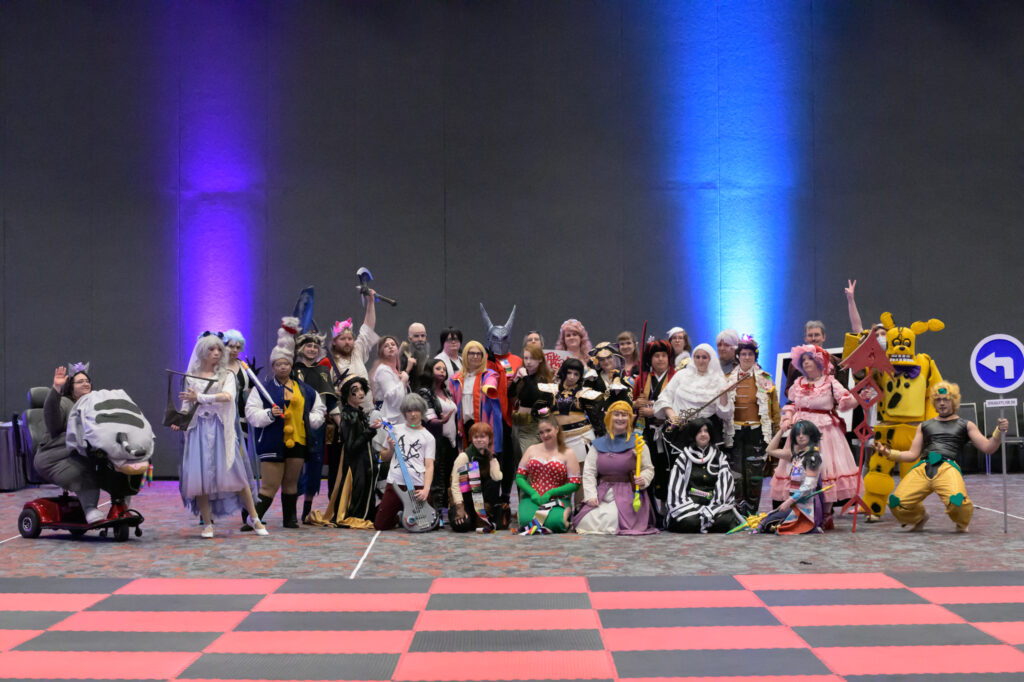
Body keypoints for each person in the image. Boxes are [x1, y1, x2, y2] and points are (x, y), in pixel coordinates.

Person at [878, 382, 1007, 533]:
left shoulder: (966, 425)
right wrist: (889, 453)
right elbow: (912, 454)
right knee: (896, 503)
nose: (942, 403)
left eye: (946, 399)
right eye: (938, 400)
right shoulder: (924, 425)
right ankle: (919, 517)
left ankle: (962, 522)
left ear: (954, 401)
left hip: (947, 468)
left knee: (957, 501)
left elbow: (988, 447)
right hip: (923, 468)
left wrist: (998, 431)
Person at [175, 335, 266, 538]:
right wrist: (179, 420)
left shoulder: (227, 375)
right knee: (201, 478)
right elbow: (186, 404)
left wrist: (200, 397)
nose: (216, 353)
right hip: (198, 429)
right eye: (211, 350)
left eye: (218, 349)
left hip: (220, 428)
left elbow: (228, 397)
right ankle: (207, 523)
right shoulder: (191, 374)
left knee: (237, 473)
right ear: (202, 351)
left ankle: (255, 518)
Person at [245, 319, 326, 529]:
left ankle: (290, 519)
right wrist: (269, 414)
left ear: (291, 365)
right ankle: (252, 518)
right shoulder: (263, 389)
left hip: (298, 441)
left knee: (291, 483)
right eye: (278, 364)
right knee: (269, 485)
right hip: (272, 442)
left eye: (286, 364)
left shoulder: (305, 389)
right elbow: (251, 413)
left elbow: (319, 410)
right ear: (273, 366)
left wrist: (308, 421)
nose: (283, 367)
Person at [772, 345, 858, 518]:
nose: (806, 362)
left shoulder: (830, 382)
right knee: (797, 470)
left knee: (825, 470)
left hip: (824, 431)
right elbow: (792, 404)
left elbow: (845, 401)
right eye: (803, 360)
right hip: (801, 431)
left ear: (819, 361)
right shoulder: (798, 383)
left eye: (810, 359)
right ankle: (802, 511)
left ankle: (826, 514)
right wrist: (788, 418)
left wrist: (858, 397)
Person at [34, 363, 104, 524]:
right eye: (80, 382)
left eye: (87, 381)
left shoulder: (94, 406)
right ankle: (90, 508)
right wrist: (56, 390)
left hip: (81, 454)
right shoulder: (65, 403)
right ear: (70, 387)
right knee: (83, 470)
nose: (86, 383)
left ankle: (119, 506)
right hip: (54, 457)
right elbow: (53, 424)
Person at [573, 401, 656, 535]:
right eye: (616, 414)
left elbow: (648, 468)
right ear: (609, 418)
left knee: (609, 520)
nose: (620, 418)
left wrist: (643, 479)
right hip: (603, 492)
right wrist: (590, 495)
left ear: (630, 419)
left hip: (628, 493)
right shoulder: (598, 445)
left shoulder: (638, 443)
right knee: (586, 521)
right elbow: (589, 472)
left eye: (624, 415)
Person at [314, 375, 385, 529]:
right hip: (355, 466)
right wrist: (370, 431)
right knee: (357, 494)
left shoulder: (358, 413)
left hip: (362, 464)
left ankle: (365, 514)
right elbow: (351, 446)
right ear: (347, 394)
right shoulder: (348, 416)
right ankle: (357, 515)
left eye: (361, 389)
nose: (360, 393)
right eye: (355, 390)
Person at [724, 336, 781, 514]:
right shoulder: (727, 379)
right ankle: (738, 513)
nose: (747, 357)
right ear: (738, 356)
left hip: (757, 432)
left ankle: (752, 513)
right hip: (735, 433)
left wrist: (777, 431)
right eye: (743, 354)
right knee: (737, 475)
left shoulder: (765, 379)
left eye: (750, 354)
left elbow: (775, 408)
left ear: (755, 357)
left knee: (755, 476)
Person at [664, 418, 743, 533]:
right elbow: (676, 490)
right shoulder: (683, 458)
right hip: (689, 507)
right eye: (699, 431)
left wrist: (710, 512)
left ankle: (701, 524)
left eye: (706, 431)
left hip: (714, 507)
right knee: (688, 521)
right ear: (693, 435)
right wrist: (696, 512)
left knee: (725, 521)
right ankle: (705, 524)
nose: (703, 434)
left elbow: (725, 488)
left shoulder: (719, 457)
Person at [293, 329, 338, 524]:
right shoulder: (293, 369)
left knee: (315, 466)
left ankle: (307, 509)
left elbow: (331, 402)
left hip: (317, 425)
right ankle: (290, 508)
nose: (312, 349)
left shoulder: (323, 371)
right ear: (301, 348)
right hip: (295, 424)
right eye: (308, 345)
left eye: (315, 346)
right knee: (294, 467)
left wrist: (340, 423)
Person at [374, 393, 436, 531]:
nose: (413, 414)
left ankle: (405, 514)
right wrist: (390, 448)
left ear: (422, 411)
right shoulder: (395, 430)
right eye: (409, 410)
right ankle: (399, 516)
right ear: (404, 412)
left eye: (416, 410)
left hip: (417, 486)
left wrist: (426, 489)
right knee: (380, 525)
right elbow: (384, 457)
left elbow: (429, 465)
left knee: (428, 524)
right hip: (395, 484)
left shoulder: (429, 437)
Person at [654, 343, 732, 445]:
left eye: (704, 357)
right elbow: (664, 398)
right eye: (697, 357)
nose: (700, 360)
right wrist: (673, 417)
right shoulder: (681, 375)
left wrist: (723, 393)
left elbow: (725, 414)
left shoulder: (719, 380)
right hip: (681, 429)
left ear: (710, 359)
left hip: (707, 431)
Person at [759, 420, 827, 534]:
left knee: (769, 524)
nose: (800, 436)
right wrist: (782, 431)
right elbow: (769, 450)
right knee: (766, 523)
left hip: (807, 506)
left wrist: (789, 501)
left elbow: (808, 485)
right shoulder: (795, 455)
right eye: (797, 433)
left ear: (811, 435)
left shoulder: (813, 457)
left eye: (804, 433)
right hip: (794, 504)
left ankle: (812, 526)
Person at [515, 416, 581, 533]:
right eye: (541, 432)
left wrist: (551, 492)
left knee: (556, 523)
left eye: (548, 430)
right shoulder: (531, 449)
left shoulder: (568, 453)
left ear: (556, 429)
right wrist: (532, 492)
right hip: (533, 497)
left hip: (557, 499)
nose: (545, 435)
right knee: (525, 522)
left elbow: (575, 484)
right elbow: (520, 477)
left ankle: (565, 512)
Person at [634, 339, 676, 519]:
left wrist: (654, 412)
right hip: (648, 432)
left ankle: (669, 507)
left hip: (670, 431)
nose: (660, 359)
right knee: (650, 467)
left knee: (670, 468)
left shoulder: (676, 378)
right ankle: (651, 510)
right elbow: (632, 403)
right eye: (656, 356)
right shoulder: (641, 379)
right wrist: (637, 404)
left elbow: (679, 404)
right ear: (650, 359)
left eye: (664, 356)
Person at [320, 290, 379, 412]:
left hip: (368, 411)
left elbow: (368, 327)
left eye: (350, 338)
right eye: (342, 339)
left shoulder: (357, 351)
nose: (347, 342)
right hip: (346, 417)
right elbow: (325, 394)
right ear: (334, 341)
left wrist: (370, 302)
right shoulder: (328, 362)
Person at [540, 358, 603, 463]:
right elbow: (537, 409)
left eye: (576, 374)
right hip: (558, 437)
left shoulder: (584, 393)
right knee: (559, 471)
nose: (572, 377)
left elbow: (595, 416)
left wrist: (601, 434)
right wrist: (543, 412)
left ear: (580, 376)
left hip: (581, 436)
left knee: (582, 471)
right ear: (563, 372)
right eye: (569, 372)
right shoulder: (551, 390)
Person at [417, 358, 458, 512]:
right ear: (430, 371)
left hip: (450, 440)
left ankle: (445, 510)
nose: (442, 371)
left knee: (447, 475)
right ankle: (436, 513)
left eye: (444, 369)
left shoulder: (446, 391)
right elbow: (428, 418)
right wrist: (442, 421)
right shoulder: (425, 392)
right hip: (435, 440)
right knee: (437, 478)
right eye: (438, 368)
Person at [450, 340, 503, 453]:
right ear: (465, 355)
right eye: (471, 353)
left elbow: (492, 382)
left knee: (483, 459)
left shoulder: (489, 375)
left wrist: (489, 387)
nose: (475, 356)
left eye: (479, 354)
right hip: (463, 426)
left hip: (482, 425)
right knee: (467, 459)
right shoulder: (455, 379)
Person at [449, 422, 503, 532]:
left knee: (499, 524)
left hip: (482, 501)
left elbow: (497, 478)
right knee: (462, 526)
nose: (479, 440)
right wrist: (459, 507)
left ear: (489, 439)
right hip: (465, 499)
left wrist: (491, 459)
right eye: (476, 437)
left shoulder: (491, 458)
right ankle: (473, 517)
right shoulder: (465, 457)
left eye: (483, 436)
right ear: (471, 439)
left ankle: (483, 514)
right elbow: (454, 484)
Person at [510, 343, 554, 452]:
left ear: (540, 360)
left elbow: (536, 396)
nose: (528, 362)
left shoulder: (543, 379)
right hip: (517, 423)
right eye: (526, 358)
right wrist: (516, 380)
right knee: (518, 459)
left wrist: (525, 377)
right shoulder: (524, 377)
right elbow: (510, 394)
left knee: (530, 458)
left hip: (532, 425)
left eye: (532, 358)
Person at [371, 335, 409, 427]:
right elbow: (393, 397)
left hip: (400, 419)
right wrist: (403, 381)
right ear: (381, 351)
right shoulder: (383, 370)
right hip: (386, 420)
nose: (390, 347)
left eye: (393, 344)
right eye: (386, 346)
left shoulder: (396, 371)